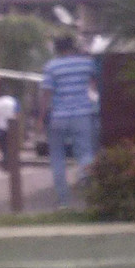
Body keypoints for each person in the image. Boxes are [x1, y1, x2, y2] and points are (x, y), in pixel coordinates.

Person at [40, 36, 99, 208]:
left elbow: (46, 94)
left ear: (57, 49)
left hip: (58, 116)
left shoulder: (51, 66)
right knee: (85, 153)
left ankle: (64, 201)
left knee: (57, 157)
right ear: (73, 47)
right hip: (82, 114)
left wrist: (41, 118)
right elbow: (95, 84)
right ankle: (88, 192)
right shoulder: (87, 64)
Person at [0, 86, 20, 169]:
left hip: (0, 127)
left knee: (3, 147)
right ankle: (11, 163)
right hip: (12, 127)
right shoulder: (14, 101)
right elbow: (17, 113)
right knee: (11, 146)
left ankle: (4, 163)